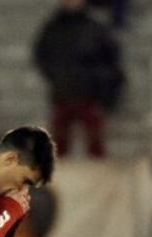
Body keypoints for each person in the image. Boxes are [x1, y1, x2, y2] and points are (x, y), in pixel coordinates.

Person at [33, 0, 122, 157]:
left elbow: (110, 59)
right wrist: (56, 75)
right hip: (62, 92)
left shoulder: (95, 28)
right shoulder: (53, 27)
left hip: (89, 94)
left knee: (95, 143)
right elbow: (41, 54)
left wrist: (97, 81)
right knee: (58, 146)